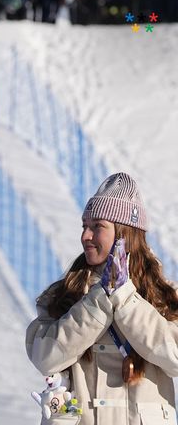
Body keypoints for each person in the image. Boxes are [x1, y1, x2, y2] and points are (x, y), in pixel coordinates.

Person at [26, 172, 178, 424]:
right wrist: (101, 298)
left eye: (97, 227)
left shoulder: (164, 295)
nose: (85, 236)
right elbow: (45, 357)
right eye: (84, 226)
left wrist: (125, 297)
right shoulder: (63, 295)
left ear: (125, 234)